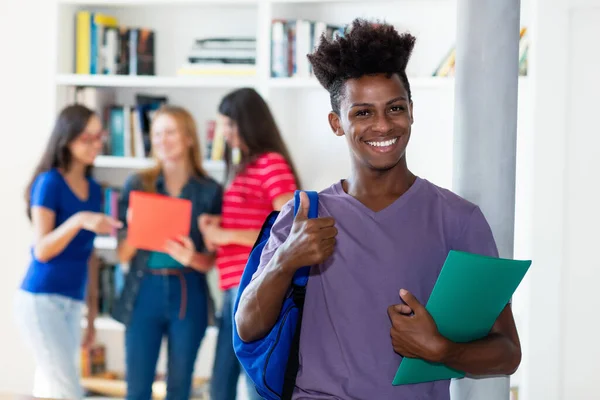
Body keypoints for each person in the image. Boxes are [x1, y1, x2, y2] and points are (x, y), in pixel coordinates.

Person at [234, 19, 522, 400]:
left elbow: (506, 352)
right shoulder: (304, 214)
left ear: (411, 111)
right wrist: (285, 259)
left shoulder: (458, 220)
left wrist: (441, 349)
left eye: (395, 108)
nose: (383, 125)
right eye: (363, 113)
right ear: (337, 123)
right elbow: (247, 328)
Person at [111, 105, 223, 400]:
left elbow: (210, 261)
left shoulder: (210, 191)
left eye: (170, 132)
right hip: (143, 289)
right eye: (157, 133)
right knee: (137, 389)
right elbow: (122, 255)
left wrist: (191, 258)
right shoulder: (138, 184)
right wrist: (138, 229)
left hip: (188, 292)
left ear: (188, 138)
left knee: (179, 387)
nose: (162, 140)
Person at [15, 104, 122, 400]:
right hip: (41, 299)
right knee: (68, 389)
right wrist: (79, 220)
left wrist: (90, 317)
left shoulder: (94, 189)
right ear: (67, 138)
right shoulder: (49, 183)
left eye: (98, 137)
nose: (96, 144)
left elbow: (88, 256)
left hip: (72, 302)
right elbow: (42, 249)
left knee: (51, 386)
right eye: (87, 138)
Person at [199, 88, 300, 400]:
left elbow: (290, 226)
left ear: (247, 123)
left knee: (251, 381)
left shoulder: (271, 163)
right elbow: (252, 221)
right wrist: (218, 227)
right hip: (232, 284)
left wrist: (225, 236)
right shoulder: (244, 167)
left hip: (252, 284)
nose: (224, 134)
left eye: (229, 125)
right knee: (221, 383)